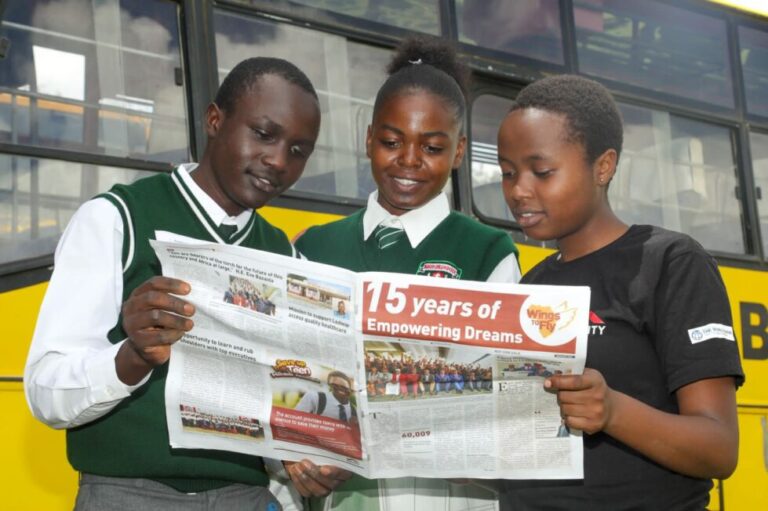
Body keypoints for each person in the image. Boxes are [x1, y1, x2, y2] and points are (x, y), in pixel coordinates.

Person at [23, 57, 350, 510]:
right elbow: (46, 393)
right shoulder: (118, 219)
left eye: (298, 151)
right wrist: (131, 356)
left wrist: (306, 456)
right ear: (215, 121)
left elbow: (284, 409)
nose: (278, 160)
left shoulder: (285, 256)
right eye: (263, 133)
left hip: (246, 498)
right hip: (127, 495)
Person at [496, 74, 744, 510]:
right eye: (508, 173)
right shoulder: (530, 286)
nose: (518, 191)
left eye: (542, 171)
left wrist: (612, 411)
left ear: (603, 166)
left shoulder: (670, 262)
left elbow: (719, 449)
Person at [294, 35, 520, 511]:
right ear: (369, 139)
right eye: (392, 142)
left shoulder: (487, 253)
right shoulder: (314, 247)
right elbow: (289, 379)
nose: (409, 161)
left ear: (459, 153)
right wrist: (297, 459)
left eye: (432, 147)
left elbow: (505, 400)